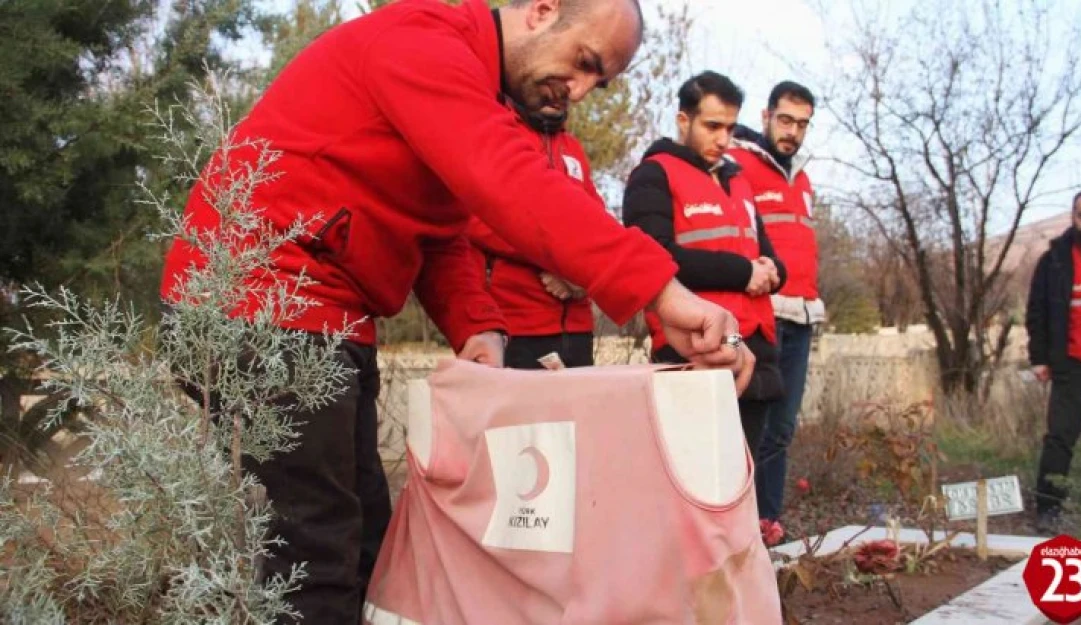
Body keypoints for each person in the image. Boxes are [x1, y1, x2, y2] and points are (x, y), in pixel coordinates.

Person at [160, 1, 754, 622]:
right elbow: (509, 181)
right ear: (543, 10)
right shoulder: (422, 44)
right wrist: (663, 291)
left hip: (326, 318)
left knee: (364, 542)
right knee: (315, 557)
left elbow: (442, 233)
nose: (577, 91)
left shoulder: (470, 85)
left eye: (595, 83)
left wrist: (477, 327)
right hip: (260, 304)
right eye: (583, 63)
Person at [623, 70, 786, 459]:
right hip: (695, 350)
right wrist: (745, 272)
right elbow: (655, 260)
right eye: (713, 126)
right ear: (684, 120)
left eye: (730, 127)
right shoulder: (653, 175)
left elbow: (768, 256)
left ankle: (755, 523)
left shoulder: (739, 181)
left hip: (757, 349)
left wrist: (774, 272)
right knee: (699, 474)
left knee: (746, 471)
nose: (723, 139)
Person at [730, 80, 821, 529]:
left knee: (782, 432)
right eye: (785, 120)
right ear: (766, 117)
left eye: (802, 124)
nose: (793, 132)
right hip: (761, 314)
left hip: (803, 316)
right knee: (751, 428)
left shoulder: (802, 177)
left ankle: (768, 526)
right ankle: (738, 530)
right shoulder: (738, 162)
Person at [466, 104, 599, 370]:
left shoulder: (572, 148)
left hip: (578, 327)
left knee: (581, 412)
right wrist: (555, 259)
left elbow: (597, 221)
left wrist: (584, 274)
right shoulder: (499, 137)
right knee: (525, 413)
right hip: (517, 324)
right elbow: (476, 217)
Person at [1027, 188, 1081, 531]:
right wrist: (1039, 358)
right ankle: (1049, 507)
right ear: (1073, 216)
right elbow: (1037, 311)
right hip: (1070, 361)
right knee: (1060, 437)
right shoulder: (1055, 260)